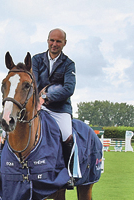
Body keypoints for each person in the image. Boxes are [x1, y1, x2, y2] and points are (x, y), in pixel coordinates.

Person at [32, 28, 76, 186]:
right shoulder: (36, 60)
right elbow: (34, 83)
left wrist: (47, 96)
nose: (54, 44)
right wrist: (38, 98)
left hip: (60, 109)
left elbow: (69, 89)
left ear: (64, 43)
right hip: (38, 106)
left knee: (67, 135)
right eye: (52, 40)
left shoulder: (69, 64)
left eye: (58, 41)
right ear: (47, 40)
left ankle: (68, 172)